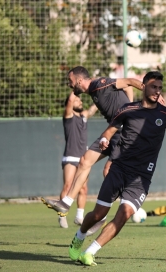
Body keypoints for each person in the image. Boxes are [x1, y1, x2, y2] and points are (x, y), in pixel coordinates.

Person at [68, 71, 166, 266]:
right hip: (119, 169)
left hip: (141, 177)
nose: (157, 91)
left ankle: (90, 252)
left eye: (159, 88)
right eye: (153, 87)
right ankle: (79, 236)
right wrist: (105, 140)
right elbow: (110, 130)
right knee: (98, 214)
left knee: (124, 214)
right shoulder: (127, 110)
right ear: (144, 86)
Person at [41, 66, 145, 216]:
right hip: (113, 131)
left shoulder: (100, 84)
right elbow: (127, 87)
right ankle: (66, 203)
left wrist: (151, 94)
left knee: (108, 170)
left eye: (70, 81)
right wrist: (128, 106)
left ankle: (125, 206)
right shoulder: (93, 91)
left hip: (126, 133)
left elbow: (129, 81)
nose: (69, 84)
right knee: (84, 161)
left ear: (79, 80)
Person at [56, 92, 98, 229]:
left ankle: (79, 217)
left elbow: (94, 108)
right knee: (68, 186)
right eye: (77, 100)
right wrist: (76, 90)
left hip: (83, 158)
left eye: (80, 100)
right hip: (70, 156)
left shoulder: (83, 116)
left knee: (83, 189)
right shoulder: (68, 116)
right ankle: (62, 215)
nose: (80, 101)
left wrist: (105, 93)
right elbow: (70, 100)